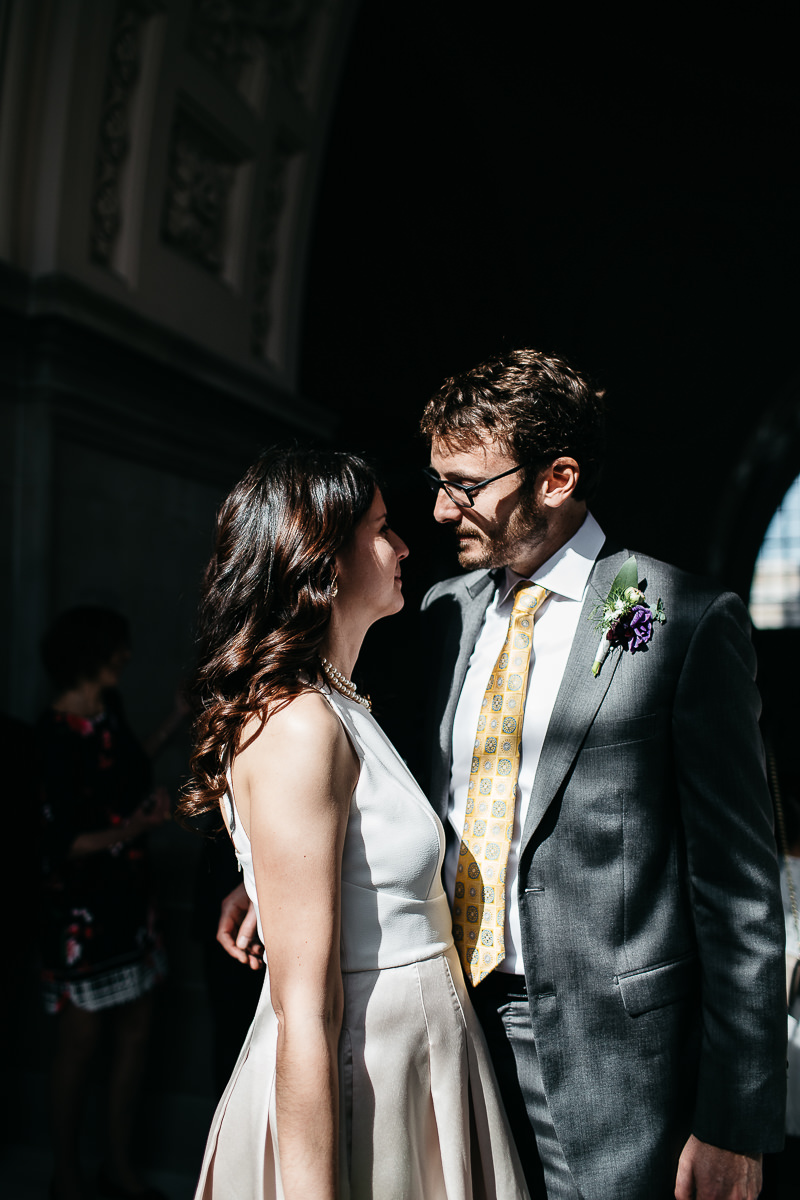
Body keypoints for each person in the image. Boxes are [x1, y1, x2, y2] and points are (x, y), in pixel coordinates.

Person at [415, 348, 787, 1200]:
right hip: (447, 1027)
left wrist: (735, 1118)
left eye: (465, 484)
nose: (441, 508)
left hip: (614, 1070)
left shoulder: (673, 617)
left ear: (557, 478)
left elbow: (739, 890)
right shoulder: (438, 617)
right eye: (438, 480)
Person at [179, 448, 529, 1200]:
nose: (404, 546)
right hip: (361, 1075)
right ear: (322, 559)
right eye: (380, 529)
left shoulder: (340, 701)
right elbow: (305, 1008)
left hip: (417, 1053)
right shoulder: (299, 722)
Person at [37, 606, 172, 1200]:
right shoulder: (52, 736)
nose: (127, 654)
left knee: (137, 1032)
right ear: (95, 654)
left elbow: (131, 770)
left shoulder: (108, 714)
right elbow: (61, 843)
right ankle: (66, 1173)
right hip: (81, 915)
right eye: (118, 647)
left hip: (129, 903)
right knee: (79, 1045)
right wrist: (133, 829)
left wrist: (174, 721)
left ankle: (117, 1167)